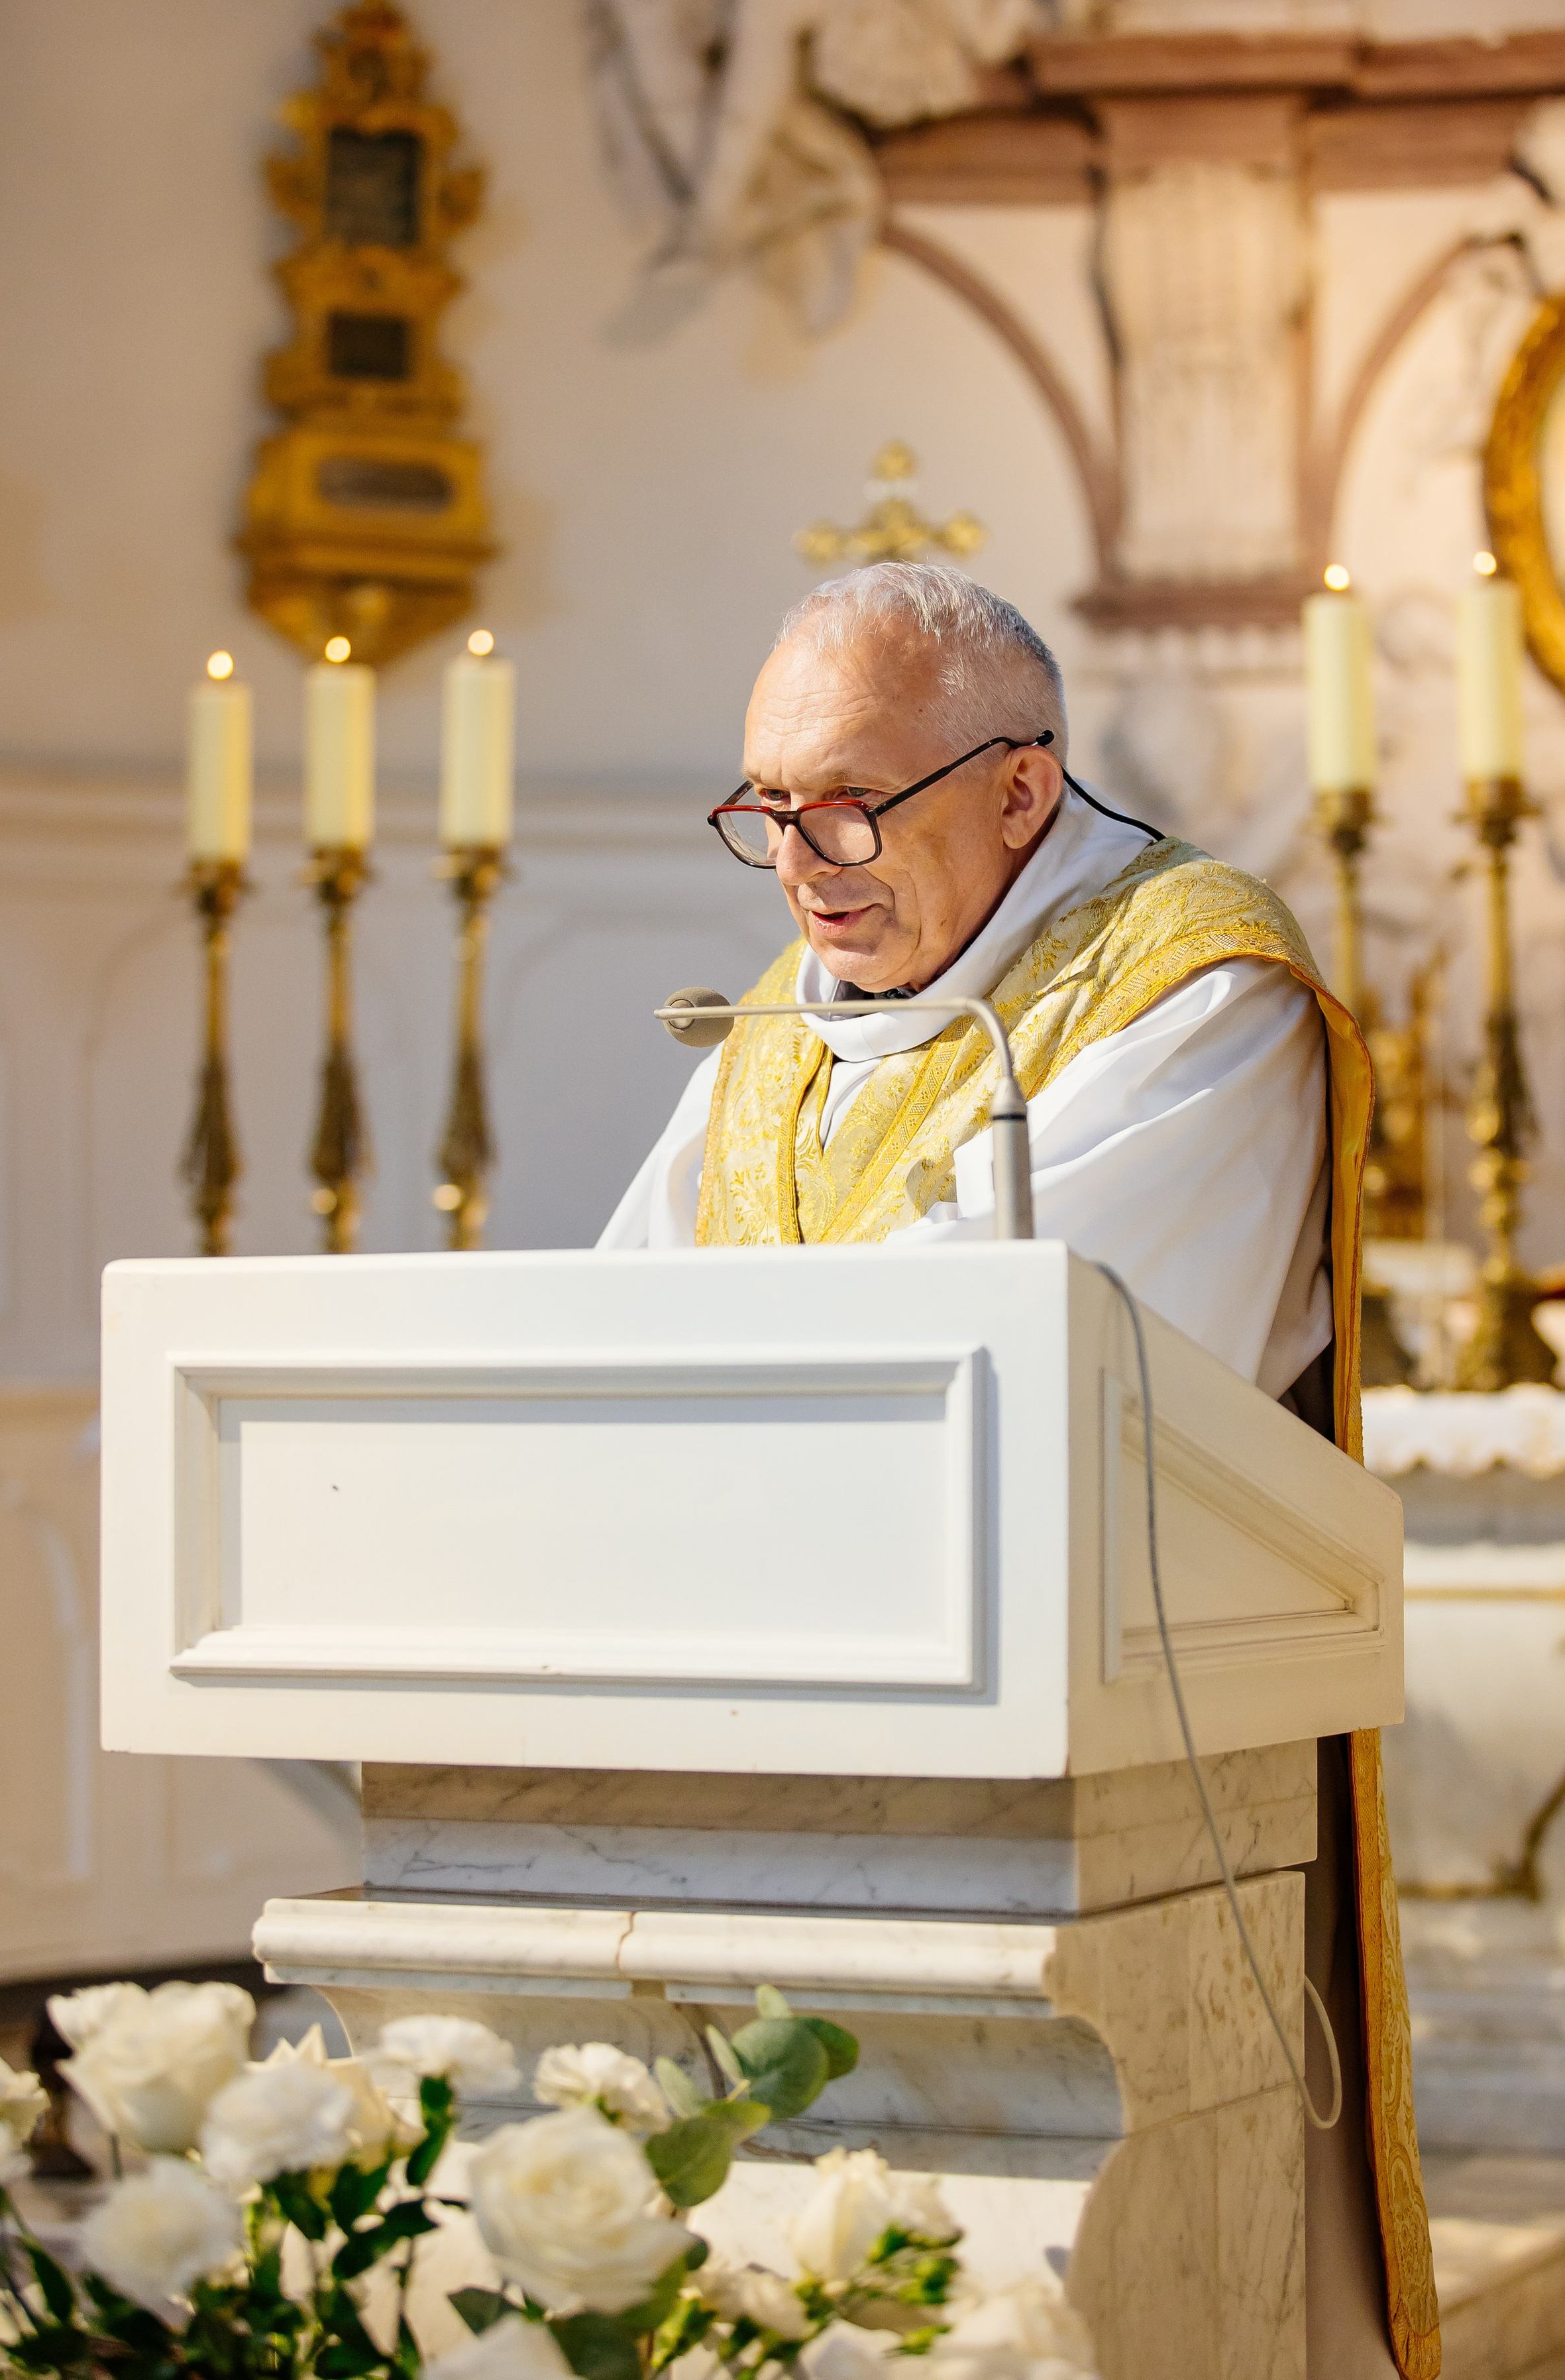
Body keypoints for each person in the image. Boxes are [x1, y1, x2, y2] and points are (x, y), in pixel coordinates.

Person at [600, 563, 1441, 2380]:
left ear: (1018, 786)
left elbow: (1078, 1354)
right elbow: (616, 1335)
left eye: (846, 802)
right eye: (764, 809)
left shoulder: (1202, 979)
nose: (804, 857)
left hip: (1111, 1744)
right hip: (773, 1761)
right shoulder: (774, 1026)